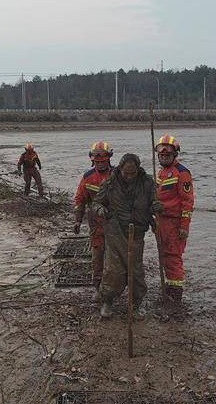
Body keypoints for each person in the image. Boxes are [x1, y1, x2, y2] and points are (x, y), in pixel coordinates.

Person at [92, 153, 160, 319]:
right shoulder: (110, 184)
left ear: (138, 170)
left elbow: (152, 204)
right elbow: (96, 203)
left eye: (133, 173)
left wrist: (156, 207)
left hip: (137, 232)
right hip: (115, 231)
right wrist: (101, 210)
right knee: (114, 269)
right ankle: (107, 301)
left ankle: (136, 303)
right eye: (126, 173)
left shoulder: (147, 182)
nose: (129, 177)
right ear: (120, 169)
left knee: (135, 270)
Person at [154, 134, 195, 316]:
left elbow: (187, 202)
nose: (163, 157)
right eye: (161, 155)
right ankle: (169, 289)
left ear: (174, 154)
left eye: (167, 154)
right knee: (164, 256)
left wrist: (183, 227)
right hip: (161, 221)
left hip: (174, 222)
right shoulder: (161, 172)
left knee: (173, 258)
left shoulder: (182, 173)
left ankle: (176, 295)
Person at [73, 141, 114, 289]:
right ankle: (98, 287)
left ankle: (114, 287)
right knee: (97, 256)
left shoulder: (118, 175)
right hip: (96, 224)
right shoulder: (88, 177)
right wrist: (77, 220)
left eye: (103, 161)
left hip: (115, 224)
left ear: (109, 159)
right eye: (97, 162)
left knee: (115, 258)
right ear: (92, 161)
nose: (100, 164)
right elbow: (79, 199)